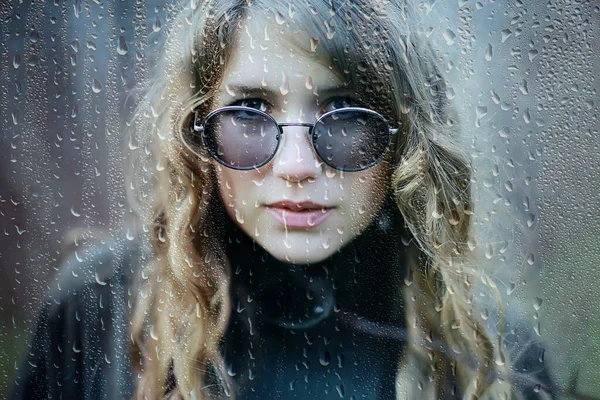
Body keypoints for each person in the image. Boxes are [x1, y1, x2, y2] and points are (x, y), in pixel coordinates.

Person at [11, 0, 555, 399]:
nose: (296, 165)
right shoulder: (100, 308)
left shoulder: (491, 354)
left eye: (344, 115)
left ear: (403, 138)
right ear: (197, 132)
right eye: (249, 114)